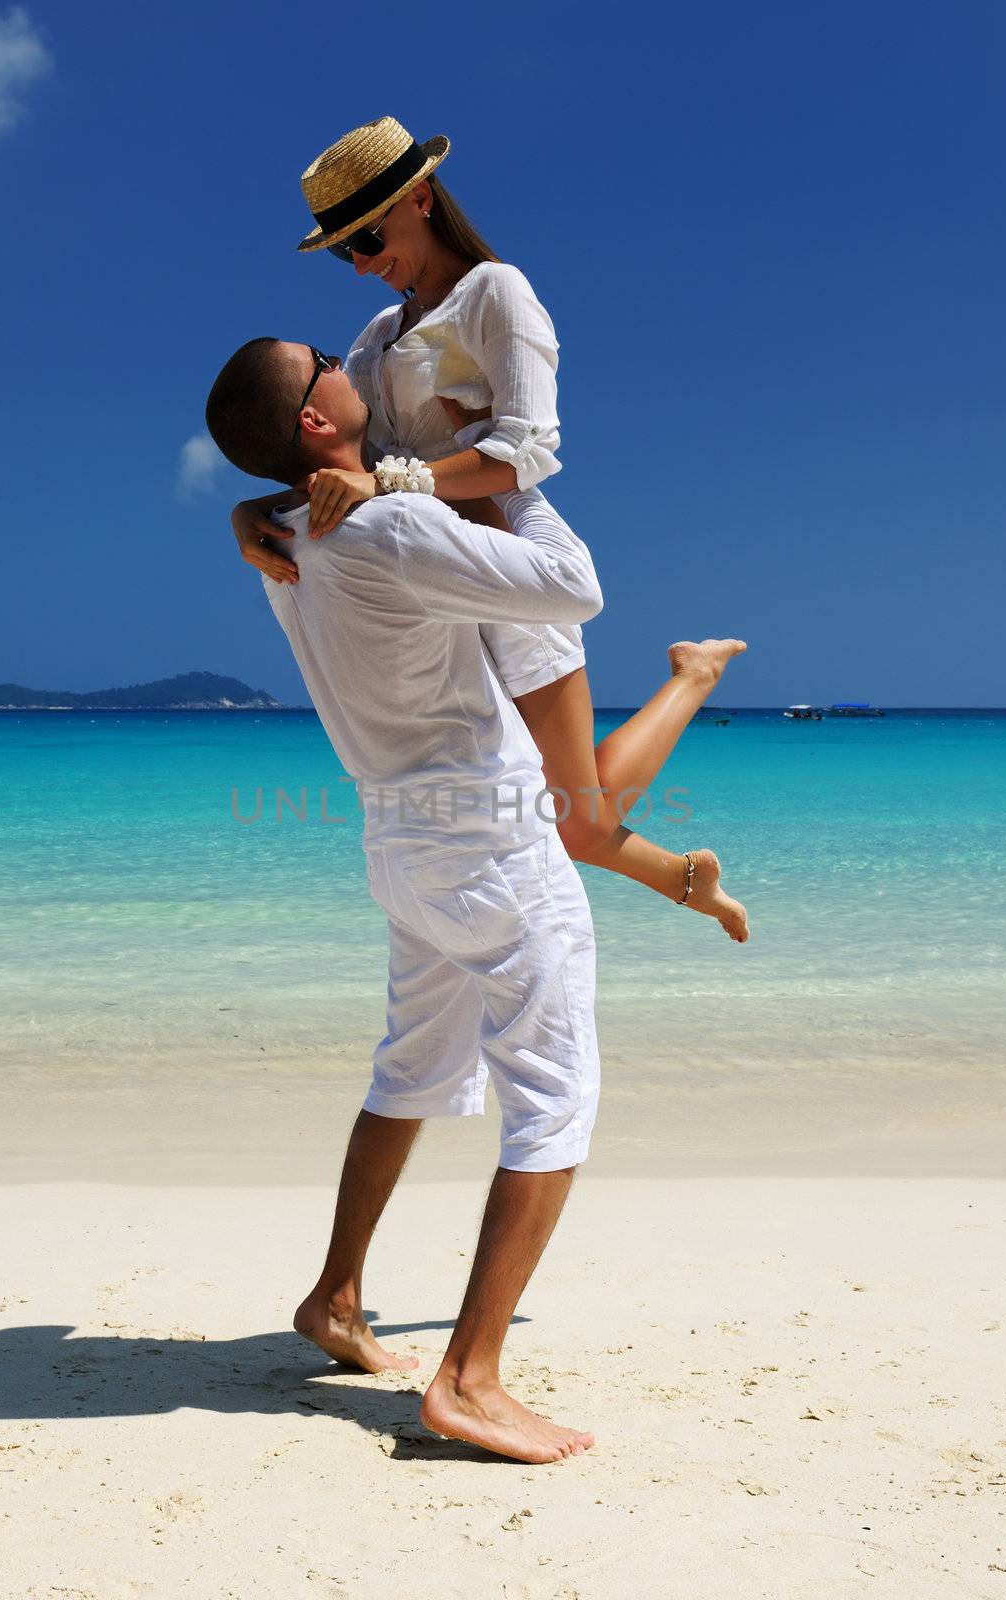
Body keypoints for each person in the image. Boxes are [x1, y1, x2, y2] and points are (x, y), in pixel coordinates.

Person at [206, 333, 611, 1463]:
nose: (347, 362)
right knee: (556, 1092)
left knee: (413, 1066)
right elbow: (574, 593)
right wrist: (509, 471)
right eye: (326, 362)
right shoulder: (379, 524)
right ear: (315, 424)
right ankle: (471, 1379)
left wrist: (257, 507)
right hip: (485, 838)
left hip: (400, 840)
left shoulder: (283, 528)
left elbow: (269, 508)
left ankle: (336, 1296)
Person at [232, 117, 749, 942]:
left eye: (367, 237)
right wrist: (252, 509)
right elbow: (337, 454)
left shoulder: (496, 293)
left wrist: (390, 483)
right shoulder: (372, 342)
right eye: (344, 252)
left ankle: (694, 678)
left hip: (509, 546)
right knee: (543, 812)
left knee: (573, 823)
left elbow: (526, 451)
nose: (362, 264)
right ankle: (689, 876)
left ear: (421, 199)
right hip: (440, 582)